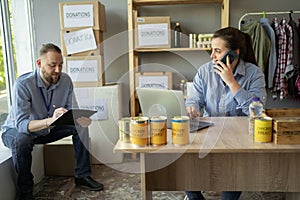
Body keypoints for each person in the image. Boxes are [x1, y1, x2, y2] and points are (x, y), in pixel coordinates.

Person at [1, 43, 103, 200]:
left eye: (61, 65)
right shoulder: (23, 85)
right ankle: (26, 191)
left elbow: (72, 111)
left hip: (46, 129)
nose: (58, 70)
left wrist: (80, 118)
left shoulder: (65, 80)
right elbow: (22, 125)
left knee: (79, 126)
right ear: (39, 63)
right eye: (52, 65)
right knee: (22, 139)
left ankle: (82, 176)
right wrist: (50, 120)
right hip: (16, 131)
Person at [185, 27, 267, 200]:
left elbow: (257, 111)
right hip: (209, 134)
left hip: (238, 140)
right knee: (187, 174)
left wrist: (231, 82)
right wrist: (193, 107)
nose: (212, 56)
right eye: (212, 50)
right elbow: (194, 98)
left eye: (217, 51)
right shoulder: (205, 71)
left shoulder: (254, 74)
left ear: (234, 53)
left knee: (231, 185)